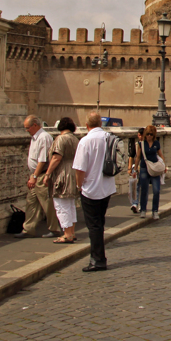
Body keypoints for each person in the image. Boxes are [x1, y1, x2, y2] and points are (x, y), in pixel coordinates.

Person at [72, 111, 117, 271]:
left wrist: (79, 186)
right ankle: (99, 257)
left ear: (87, 125)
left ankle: (98, 260)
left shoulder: (85, 141)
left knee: (94, 226)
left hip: (90, 188)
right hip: (107, 186)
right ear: (100, 123)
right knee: (100, 223)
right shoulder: (109, 138)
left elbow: (79, 168)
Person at [18, 115, 60, 239]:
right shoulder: (35, 138)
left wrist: (35, 176)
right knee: (31, 202)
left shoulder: (44, 138)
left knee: (47, 203)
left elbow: (42, 160)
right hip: (35, 175)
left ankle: (54, 228)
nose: (27, 130)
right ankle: (28, 229)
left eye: (28, 128)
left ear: (35, 125)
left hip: (40, 175)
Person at [44, 117, 80, 243]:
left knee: (61, 204)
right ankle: (71, 231)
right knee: (70, 204)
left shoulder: (61, 139)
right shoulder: (76, 139)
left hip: (63, 173)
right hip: (74, 171)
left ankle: (67, 233)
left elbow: (56, 157)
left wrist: (48, 173)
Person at [132, 125, 164, 219]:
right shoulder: (141, 144)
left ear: (153, 135)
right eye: (147, 134)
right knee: (144, 190)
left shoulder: (156, 143)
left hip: (154, 169)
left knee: (156, 190)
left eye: (151, 134)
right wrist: (134, 169)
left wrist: (164, 166)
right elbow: (138, 157)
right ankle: (143, 210)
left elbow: (160, 155)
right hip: (144, 168)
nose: (149, 136)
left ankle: (155, 211)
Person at [126, 130, 140, 213]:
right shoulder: (137, 145)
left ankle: (140, 204)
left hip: (144, 168)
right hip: (137, 168)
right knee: (136, 186)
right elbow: (131, 156)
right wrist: (129, 168)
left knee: (142, 187)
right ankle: (135, 204)